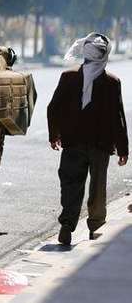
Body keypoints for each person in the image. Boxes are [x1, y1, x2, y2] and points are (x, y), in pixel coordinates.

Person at [47, 33, 128, 246]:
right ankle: (96, 228)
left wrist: (54, 134)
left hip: (72, 143)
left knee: (71, 184)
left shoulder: (68, 77)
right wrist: (123, 149)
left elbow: (53, 108)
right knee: (98, 188)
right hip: (100, 146)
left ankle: (67, 226)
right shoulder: (112, 82)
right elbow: (117, 118)